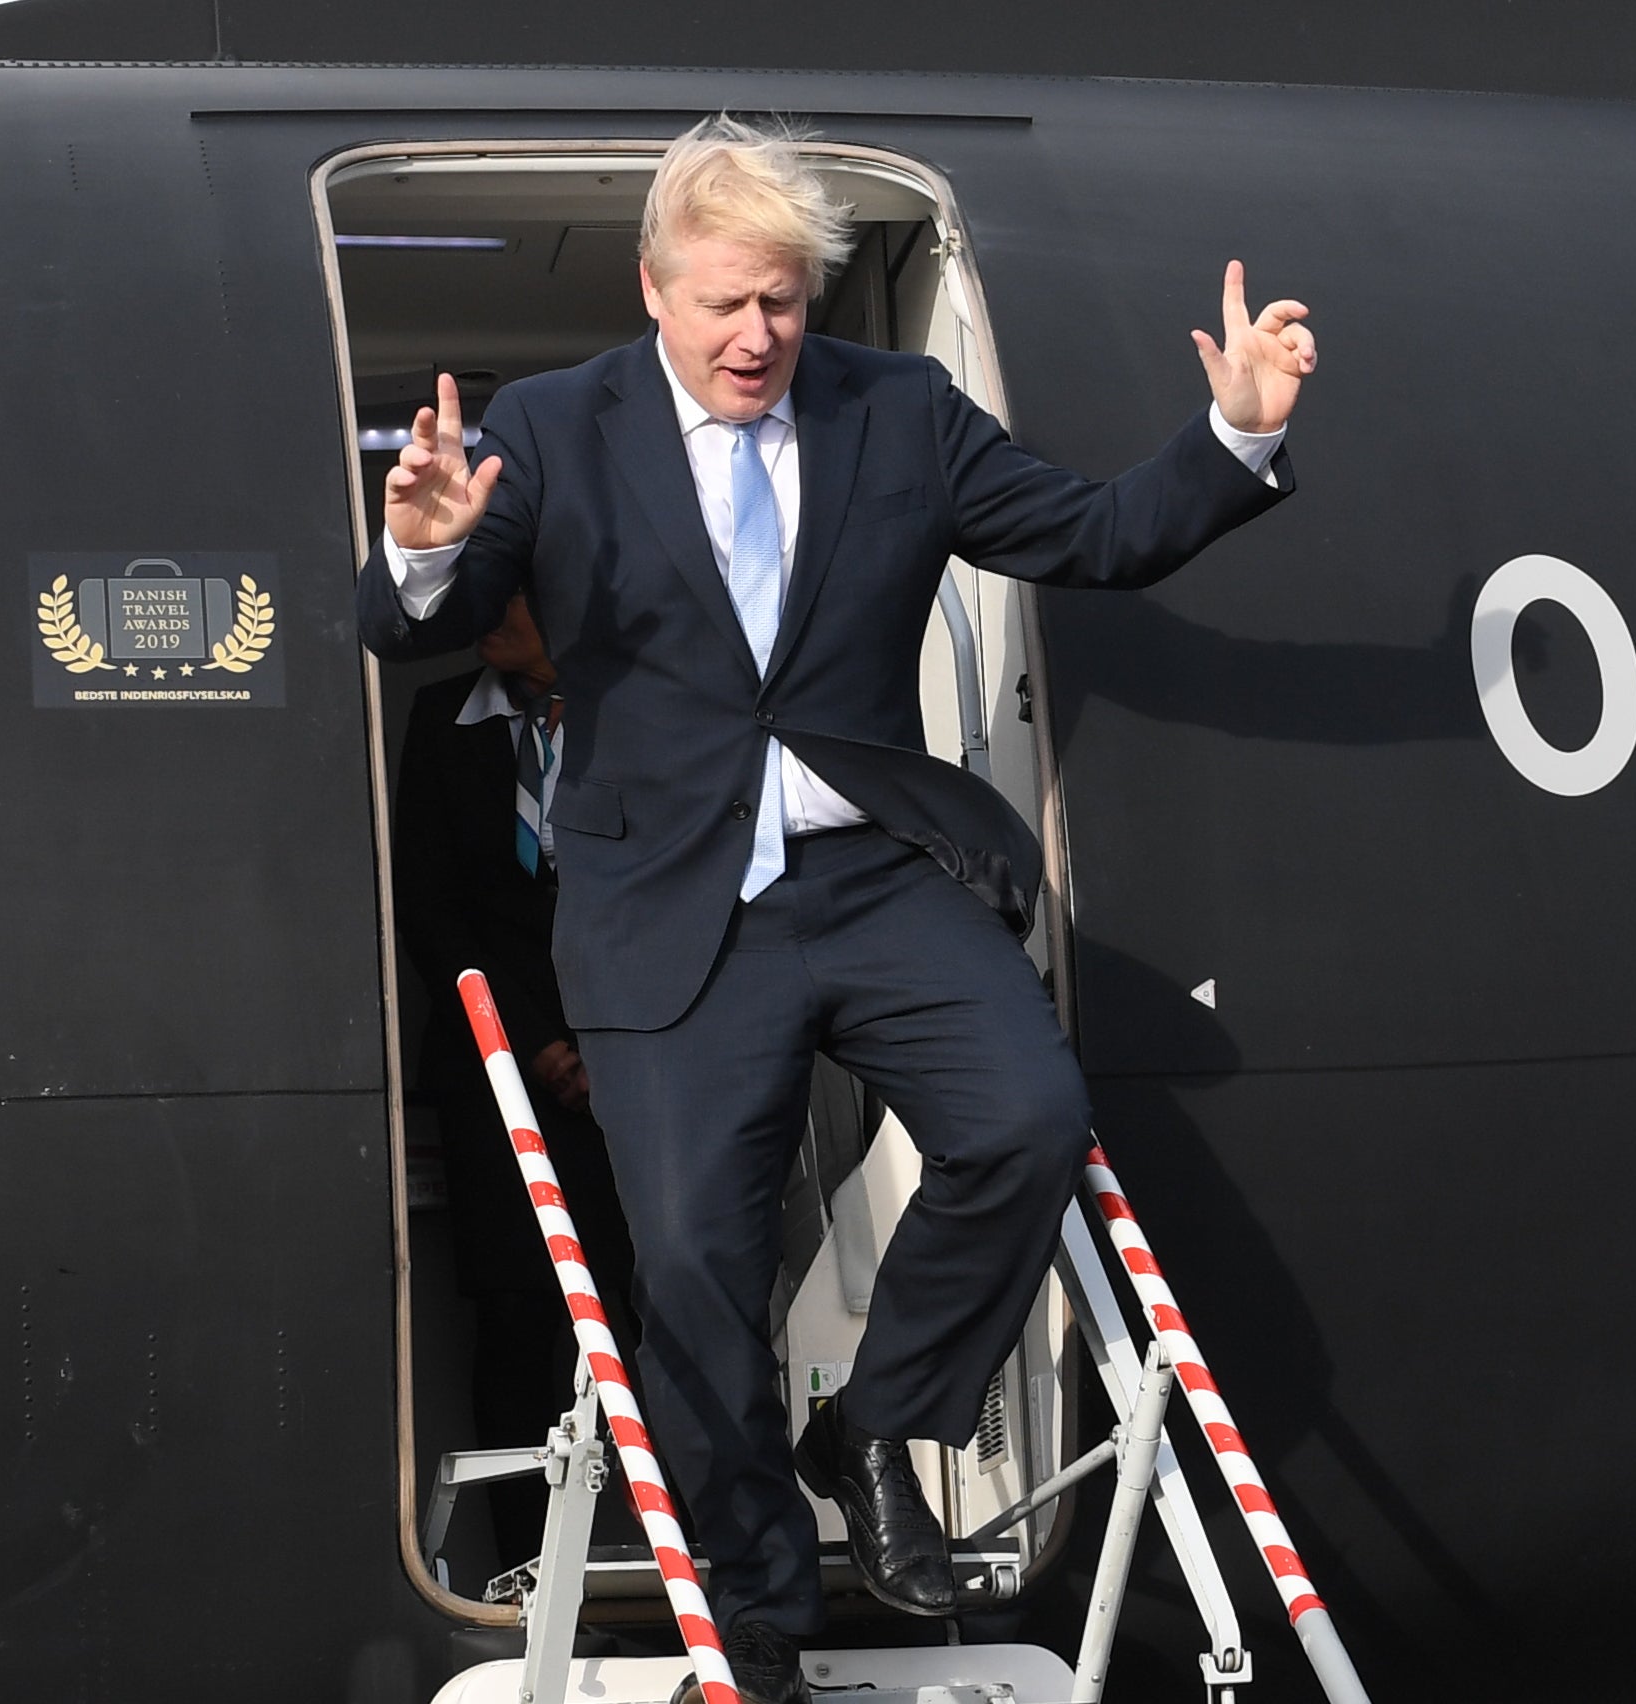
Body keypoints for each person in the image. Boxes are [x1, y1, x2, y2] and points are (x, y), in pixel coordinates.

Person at [359, 114, 1314, 1704]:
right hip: (670, 906)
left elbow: (1089, 535)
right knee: (696, 1279)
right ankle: (756, 1617)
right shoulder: (555, 423)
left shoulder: (899, 410)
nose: (760, 337)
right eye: (728, 303)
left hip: (868, 874)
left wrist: (1228, 442)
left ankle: (877, 1425)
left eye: (787, 304)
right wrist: (425, 555)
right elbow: (430, 625)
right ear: (655, 289)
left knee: (1025, 1121)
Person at [391, 591, 636, 1566]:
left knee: (655, 1306)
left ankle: (703, 1553)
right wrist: (537, 1045)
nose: (490, 613)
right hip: (497, 1072)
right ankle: (522, 1567)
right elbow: (432, 909)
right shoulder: (443, 721)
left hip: (635, 1064)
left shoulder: (641, 715)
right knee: (516, 1316)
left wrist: (613, 1047)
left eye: (515, 593)